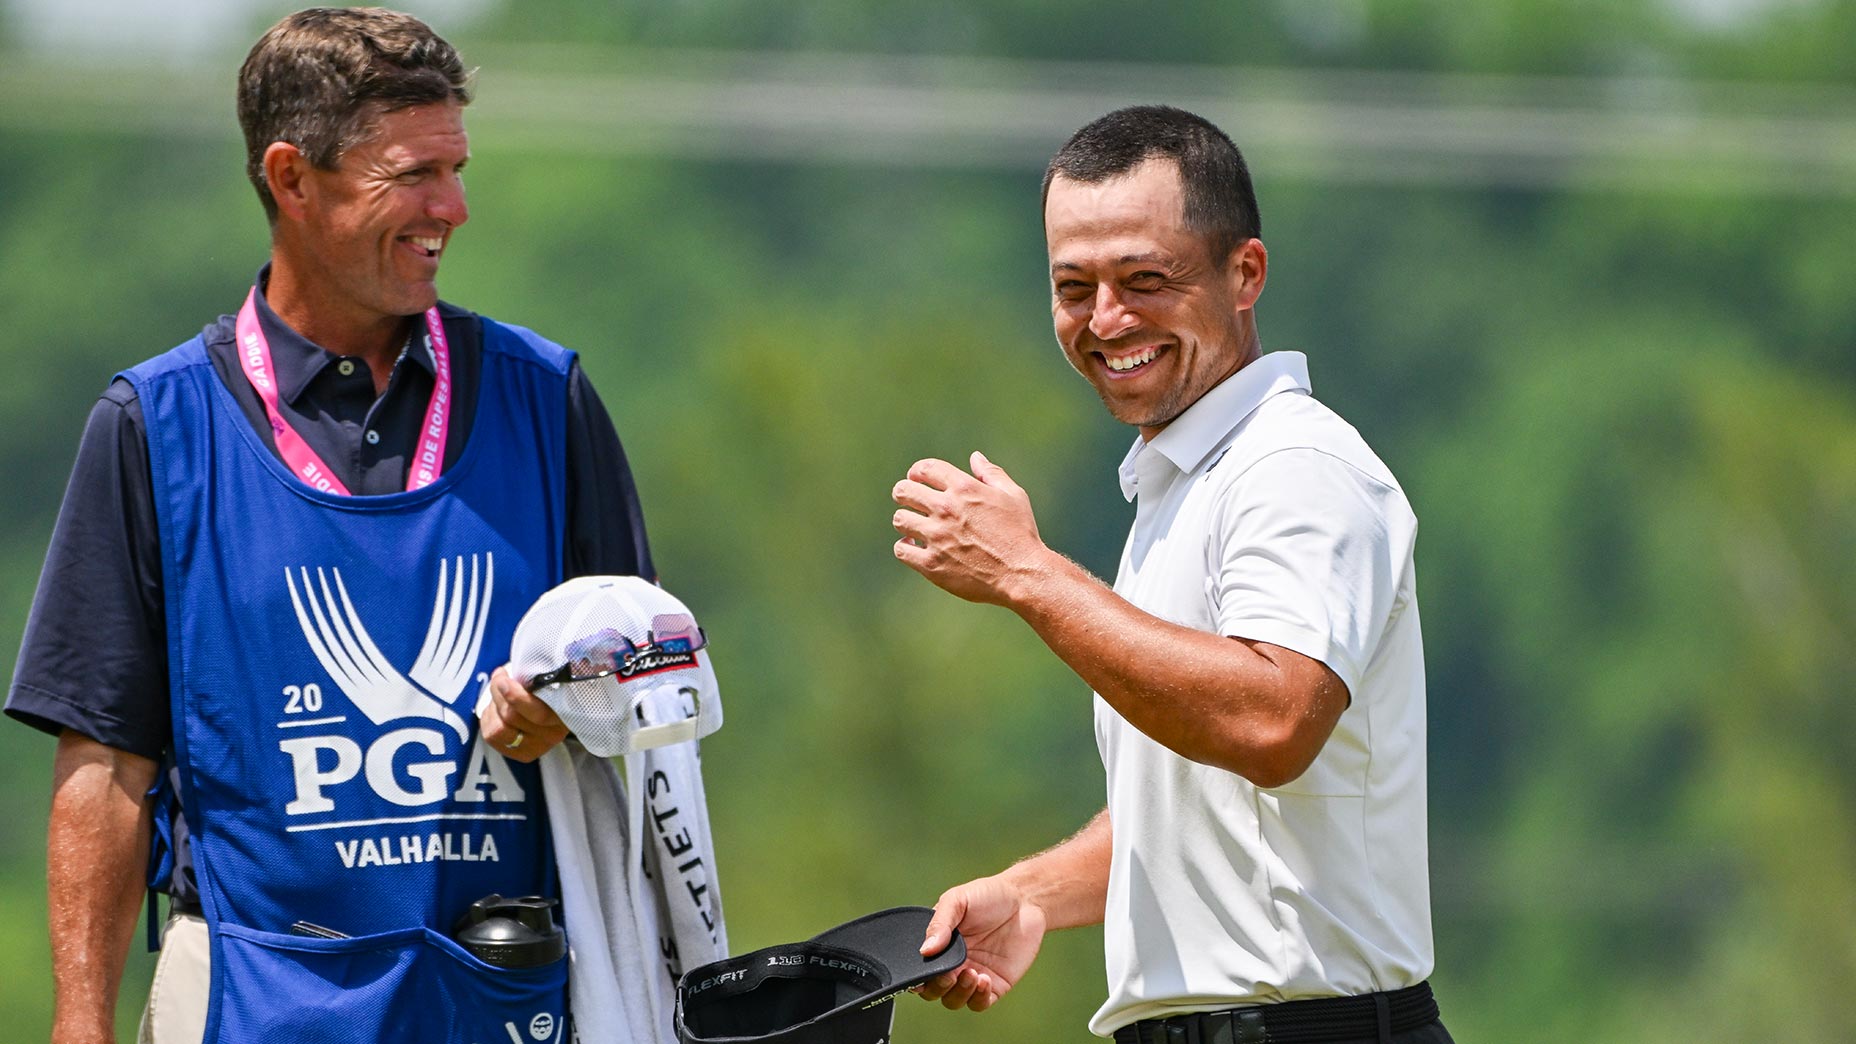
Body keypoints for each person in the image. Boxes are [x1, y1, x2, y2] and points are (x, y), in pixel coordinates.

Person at [6, 9, 677, 1043]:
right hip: (242, 999)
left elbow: (656, 676)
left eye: (456, 169)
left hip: (503, 1002)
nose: (450, 207)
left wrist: (577, 703)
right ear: (290, 178)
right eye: (411, 174)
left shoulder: (546, 400)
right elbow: (106, 769)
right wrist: (80, 1026)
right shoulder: (156, 426)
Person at [890, 106, 1454, 1043]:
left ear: (1245, 274)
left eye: (1146, 279)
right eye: (1076, 286)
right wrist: (1032, 894)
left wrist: (1030, 574)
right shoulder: (1186, 486)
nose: (1107, 320)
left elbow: (1272, 723)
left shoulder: (1293, 468)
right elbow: (1211, 803)